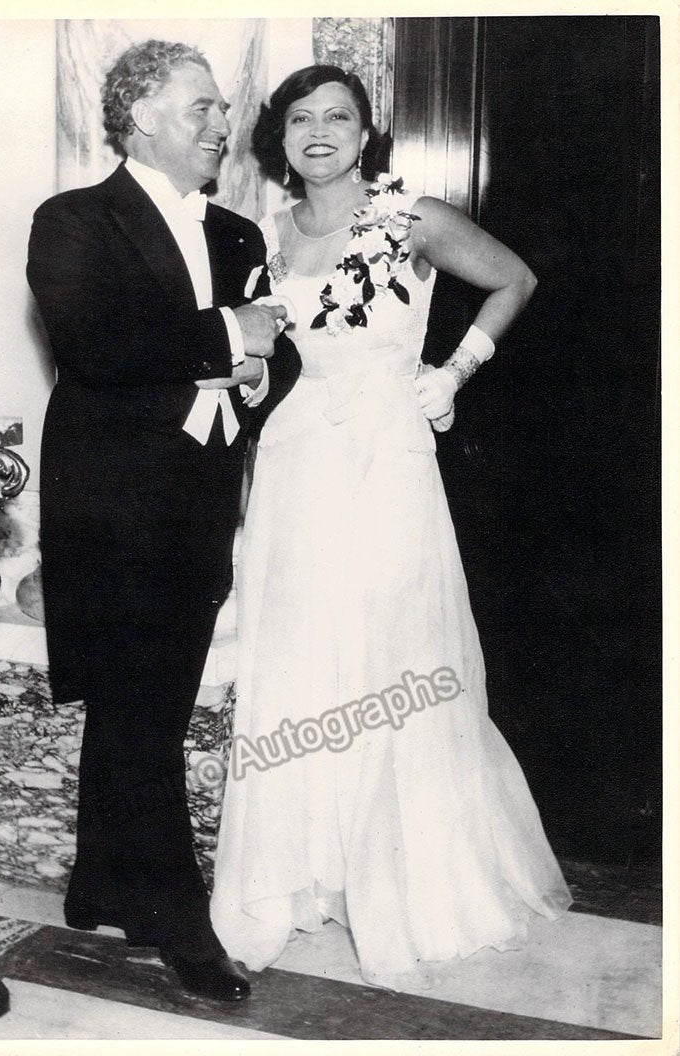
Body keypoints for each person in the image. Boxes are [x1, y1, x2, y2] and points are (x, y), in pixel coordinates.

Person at [210, 64, 572, 990]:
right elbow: (263, 352)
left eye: (338, 117)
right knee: (298, 656)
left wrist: (455, 371)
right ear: (280, 138)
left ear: (367, 133)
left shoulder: (412, 217)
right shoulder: (263, 234)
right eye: (301, 118)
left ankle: (404, 882)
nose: (319, 132)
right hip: (294, 464)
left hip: (386, 458)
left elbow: (516, 279)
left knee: (393, 655)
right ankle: (300, 881)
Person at [26, 39, 301, 1002]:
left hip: (198, 502)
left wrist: (259, 368)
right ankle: (182, 925)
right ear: (141, 118)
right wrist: (231, 334)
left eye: (221, 109)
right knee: (145, 715)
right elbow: (94, 343)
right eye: (202, 108)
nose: (224, 124)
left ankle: (102, 881)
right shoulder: (74, 219)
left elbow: (278, 349)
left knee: (145, 705)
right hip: (111, 507)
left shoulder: (236, 233)